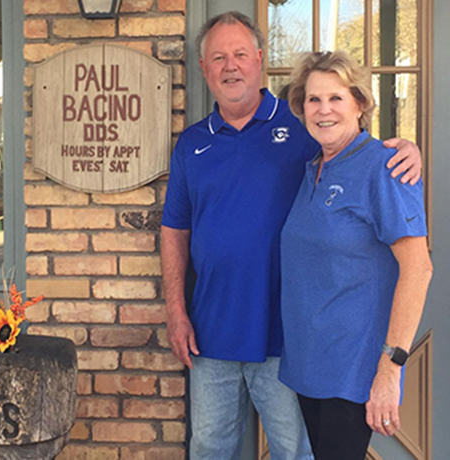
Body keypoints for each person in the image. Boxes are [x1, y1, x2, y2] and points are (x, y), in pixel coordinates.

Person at [161, 11, 423, 460]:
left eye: (240, 54)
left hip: (289, 339)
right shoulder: (193, 144)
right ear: (203, 69)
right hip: (212, 331)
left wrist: (404, 150)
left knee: (296, 451)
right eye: (218, 57)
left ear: (260, 60)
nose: (231, 66)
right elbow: (174, 230)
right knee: (208, 448)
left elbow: (353, 148)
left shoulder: (302, 129)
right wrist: (175, 311)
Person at [278, 50, 433, 460]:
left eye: (336, 98)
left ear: (360, 104)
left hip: (354, 372)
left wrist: (391, 368)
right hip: (310, 366)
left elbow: (418, 269)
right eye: (314, 100)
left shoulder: (386, 168)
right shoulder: (314, 167)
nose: (324, 110)